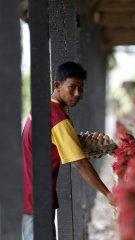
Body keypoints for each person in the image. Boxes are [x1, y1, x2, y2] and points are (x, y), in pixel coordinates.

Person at [22, 61, 116, 240]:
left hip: (27, 193)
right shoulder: (58, 119)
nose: (78, 94)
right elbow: (80, 164)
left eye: (81, 88)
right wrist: (108, 194)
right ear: (57, 85)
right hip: (36, 200)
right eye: (72, 87)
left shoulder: (42, 108)